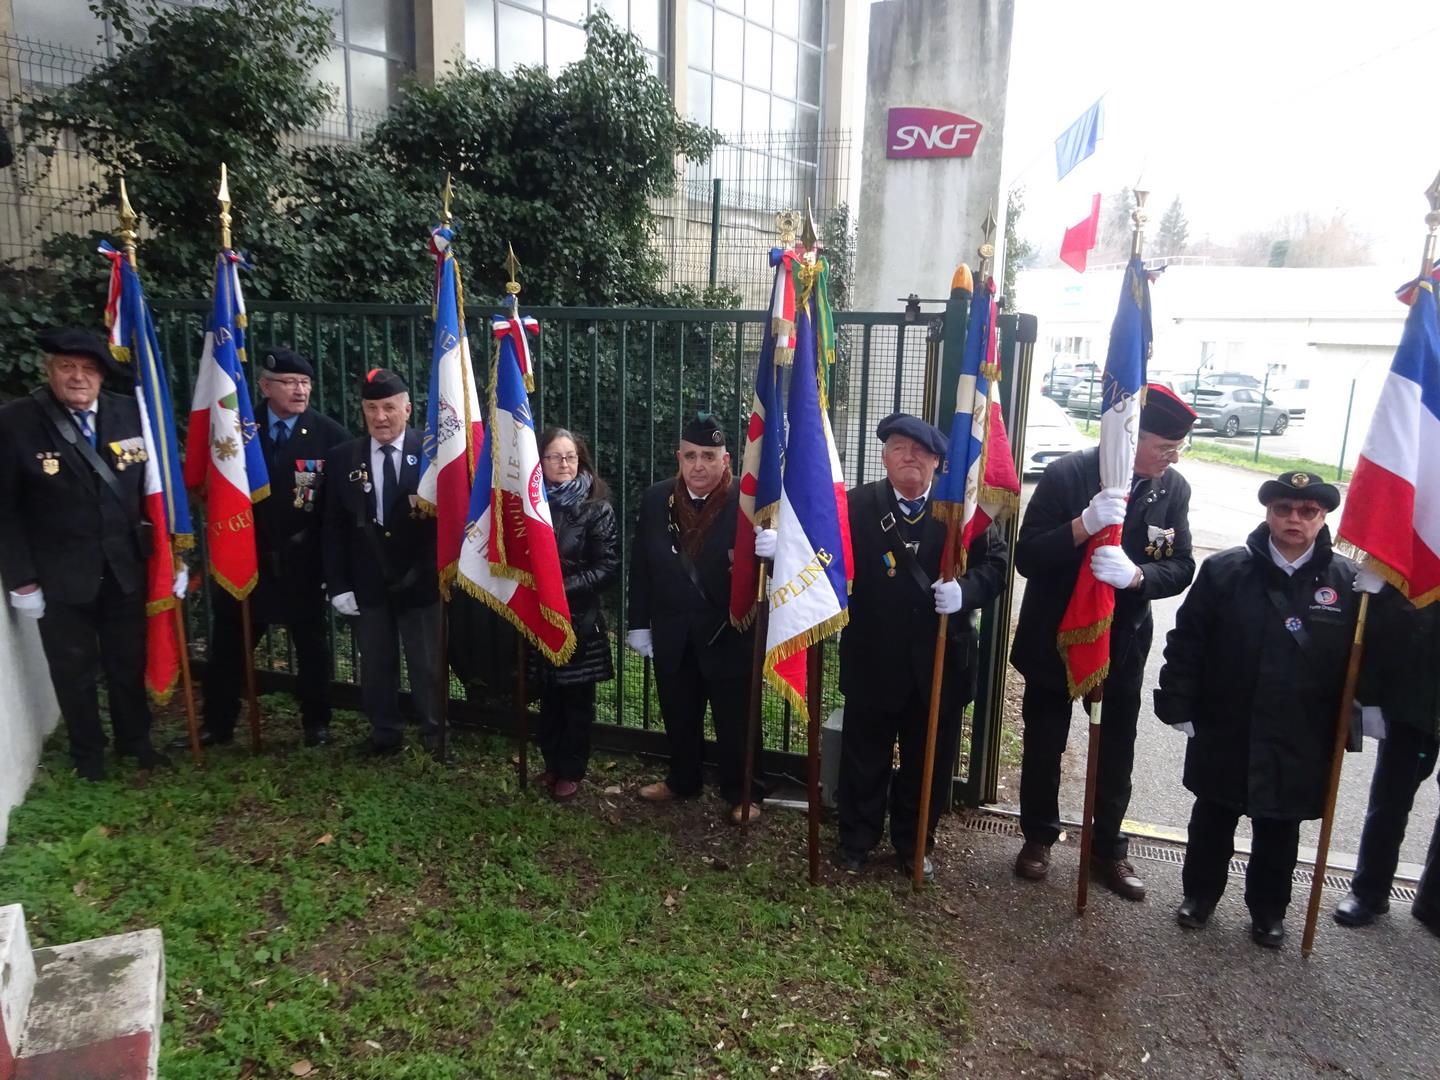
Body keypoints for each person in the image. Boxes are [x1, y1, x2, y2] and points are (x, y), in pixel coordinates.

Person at [1009, 383, 1198, 900]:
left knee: (1116, 750)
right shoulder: (1067, 474)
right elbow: (1028, 557)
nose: (1172, 457)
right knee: (1045, 743)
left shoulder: (1171, 489)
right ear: (1132, 437)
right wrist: (1083, 525)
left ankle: (1107, 847)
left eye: (1178, 448)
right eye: (1164, 447)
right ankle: (1038, 837)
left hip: (1122, 641)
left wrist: (1138, 576)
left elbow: (1181, 564)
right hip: (1055, 637)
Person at [1156, 470, 1359, 948]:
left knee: (1279, 826)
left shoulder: (1350, 582)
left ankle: (1268, 911)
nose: (1294, 519)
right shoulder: (1225, 570)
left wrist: (1359, 716)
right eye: (1283, 509)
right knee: (1213, 815)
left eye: (1307, 511)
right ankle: (1199, 896)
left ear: (1323, 517)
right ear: (1268, 513)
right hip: (1227, 719)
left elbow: (1365, 662)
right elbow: (1188, 640)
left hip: (1299, 730)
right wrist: (1177, 700)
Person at [824, 413, 1009, 881]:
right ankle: (856, 840)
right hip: (873, 656)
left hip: (940, 660)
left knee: (928, 760)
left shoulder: (961, 510)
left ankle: (916, 841)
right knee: (864, 757)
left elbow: (996, 566)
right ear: (884, 457)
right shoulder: (856, 505)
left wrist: (965, 591)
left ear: (938, 463)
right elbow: (823, 557)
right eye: (900, 448)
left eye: (921, 451)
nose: (910, 457)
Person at [0, 328, 177, 779]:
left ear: (101, 376)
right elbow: (6, 510)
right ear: (49, 371)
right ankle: (88, 755)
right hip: (60, 573)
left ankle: (134, 740)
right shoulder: (16, 422)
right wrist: (21, 578)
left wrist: (171, 553)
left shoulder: (130, 413)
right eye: (67, 367)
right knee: (73, 669)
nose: (78, 377)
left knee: (127, 662)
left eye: (88, 369)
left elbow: (155, 488)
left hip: (124, 567)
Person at [176, 347, 348, 751]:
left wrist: (330, 566)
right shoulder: (235, 429)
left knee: (312, 649)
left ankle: (316, 724)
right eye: (288, 382)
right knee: (228, 649)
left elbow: (335, 510)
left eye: (304, 382)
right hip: (246, 557)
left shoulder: (330, 435)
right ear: (265, 386)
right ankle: (217, 725)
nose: (299, 390)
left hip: (301, 563)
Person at [626, 413, 763, 823]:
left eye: (708, 455)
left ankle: (743, 792)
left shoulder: (748, 502)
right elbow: (641, 566)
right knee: (678, 711)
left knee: (735, 718)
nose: (698, 465)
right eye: (690, 456)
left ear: (726, 459)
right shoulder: (657, 499)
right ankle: (682, 779)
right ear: (679, 458)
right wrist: (638, 623)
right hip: (673, 629)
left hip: (728, 631)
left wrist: (774, 551)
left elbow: (769, 566)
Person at [322, 368, 441, 756]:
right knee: (376, 662)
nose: (380, 417)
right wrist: (338, 585)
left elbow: (450, 521)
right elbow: (333, 527)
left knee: (427, 665)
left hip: (421, 579)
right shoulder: (343, 457)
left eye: (389, 407)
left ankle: (435, 734)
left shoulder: (434, 453)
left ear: (407, 409)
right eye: (371, 408)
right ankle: (385, 733)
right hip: (368, 581)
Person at [1332, 580, 1440, 934]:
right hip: (1413, 700)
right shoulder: (1423, 550)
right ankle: (1369, 892)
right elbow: (1381, 628)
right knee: (1389, 803)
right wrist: (1369, 698)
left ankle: (1434, 902)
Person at [530, 426, 620, 801]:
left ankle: (571, 770)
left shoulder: (597, 508)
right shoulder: (531, 505)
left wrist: (559, 589)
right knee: (548, 697)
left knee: (576, 701)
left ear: (580, 460)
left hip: (579, 623)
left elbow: (608, 568)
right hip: (538, 618)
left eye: (570, 456)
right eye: (555, 456)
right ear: (541, 461)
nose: (564, 463)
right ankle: (551, 763)